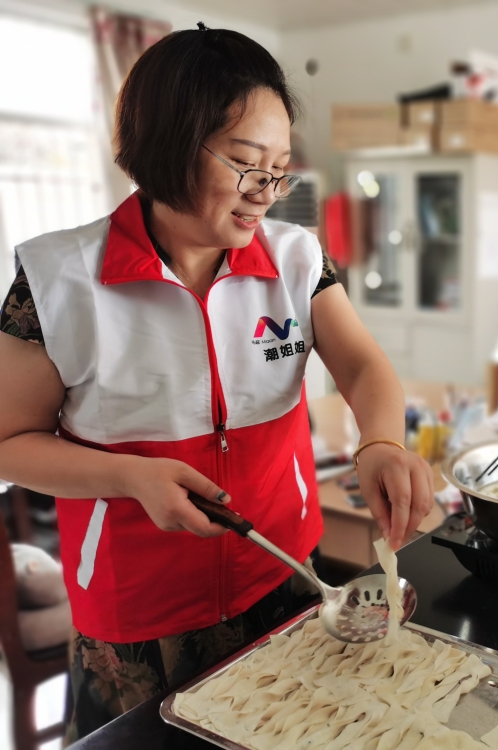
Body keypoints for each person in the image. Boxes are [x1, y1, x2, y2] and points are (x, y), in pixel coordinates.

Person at [0, 25, 435, 740]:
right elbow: (8, 440)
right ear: (169, 143)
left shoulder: (296, 258)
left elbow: (360, 364)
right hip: (139, 618)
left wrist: (382, 440)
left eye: (280, 168)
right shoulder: (58, 281)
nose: (267, 191)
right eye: (245, 164)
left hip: (288, 582)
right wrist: (131, 478)